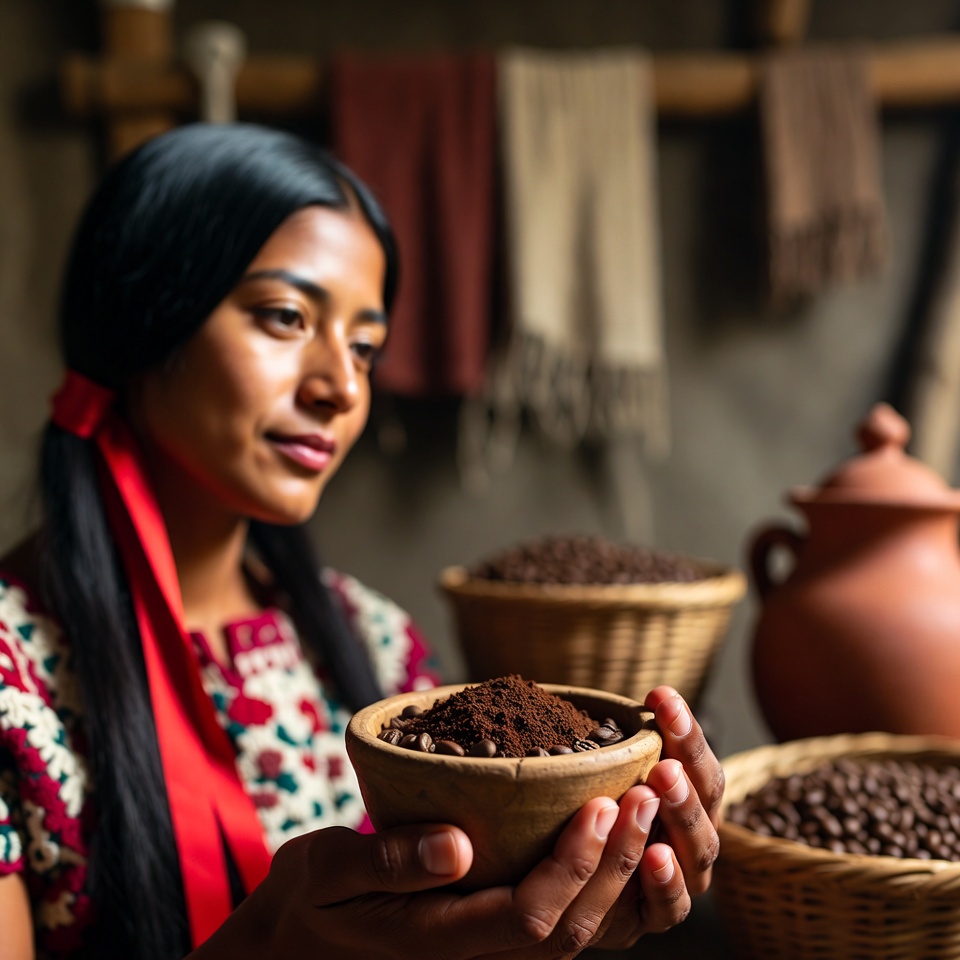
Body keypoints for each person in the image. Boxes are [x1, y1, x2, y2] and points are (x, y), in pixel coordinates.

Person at [0, 122, 722, 959]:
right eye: (284, 317)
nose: (340, 386)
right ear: (142, 317)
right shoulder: (15, 666)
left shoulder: (372, 642)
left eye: (366, 347)